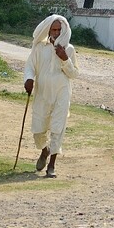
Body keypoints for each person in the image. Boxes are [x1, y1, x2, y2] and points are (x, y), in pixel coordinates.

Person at [23, 14, 79, 178]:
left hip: (61, 93)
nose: (55, 33)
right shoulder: (40, 48)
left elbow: (74, 73)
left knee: (57, 127)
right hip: (42, 93)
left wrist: (64, 59)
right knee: (38, 129)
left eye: (58, 30)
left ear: (63, 31)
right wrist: (28, 79)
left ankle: (52, 165)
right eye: (53, 29)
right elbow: (30, 66)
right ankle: (44, 150)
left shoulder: (69, 49)